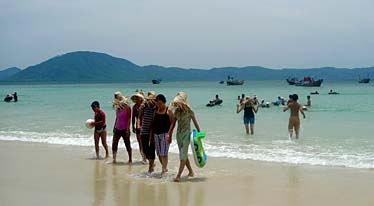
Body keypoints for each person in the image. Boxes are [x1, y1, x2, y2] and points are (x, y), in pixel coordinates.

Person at [168, 92, 201, 182]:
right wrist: (169, 135)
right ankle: (191, 172)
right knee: (183, 155)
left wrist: (199, 134)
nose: (177, 105)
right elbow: (173, 124)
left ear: (183, 102)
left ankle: (178, 175)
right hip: (179, 135)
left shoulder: (190, 111)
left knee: (183, 155)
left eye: (178, 103)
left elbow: (195, 122)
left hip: (187, 135)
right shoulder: (177, 112)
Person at [150, 94, 173, 176]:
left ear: (164, 102)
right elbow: (152, 123)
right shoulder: (155, 110)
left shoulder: (168, 111)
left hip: (165, 134)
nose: (159, 105)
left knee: (164, 153)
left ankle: (163, 170)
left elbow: (172, 123)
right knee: (159, 153)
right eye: (157, 103)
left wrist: (170, 135)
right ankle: (164, 167)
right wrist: (151, 136)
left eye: (160, 103)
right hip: (156, 134)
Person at [138, 91, 157, 174]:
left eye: (152, 100)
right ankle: (151, 163)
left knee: (152, 149)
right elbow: (139, 116)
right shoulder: (144, 106)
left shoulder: (156, 107)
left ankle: (151, 166)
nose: (150, 101)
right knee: (145, 149)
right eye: (149, 99)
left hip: (152, 131)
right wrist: (138, 125)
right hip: (144, 130)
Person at [112, 92, 132, 164]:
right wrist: (114, 126)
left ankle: (130, 159)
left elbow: (129, 118)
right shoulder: (117, 107)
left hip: (124, 128)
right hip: (117, 128)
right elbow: (117, 118)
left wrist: (128, 129)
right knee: (114, 143)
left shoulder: (127, 107)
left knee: (127, 144)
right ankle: (114, 159)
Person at [131, 92, 147, 163]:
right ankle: (143, 157)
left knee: (145, 142)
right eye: (136, 98)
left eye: (138, 98)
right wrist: (133, 126)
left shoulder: (144, 106)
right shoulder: (134, 107)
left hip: (145, 126)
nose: (137, 99)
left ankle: (146, 156)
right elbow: (133, 118)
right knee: (140, 143)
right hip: (138, 126)